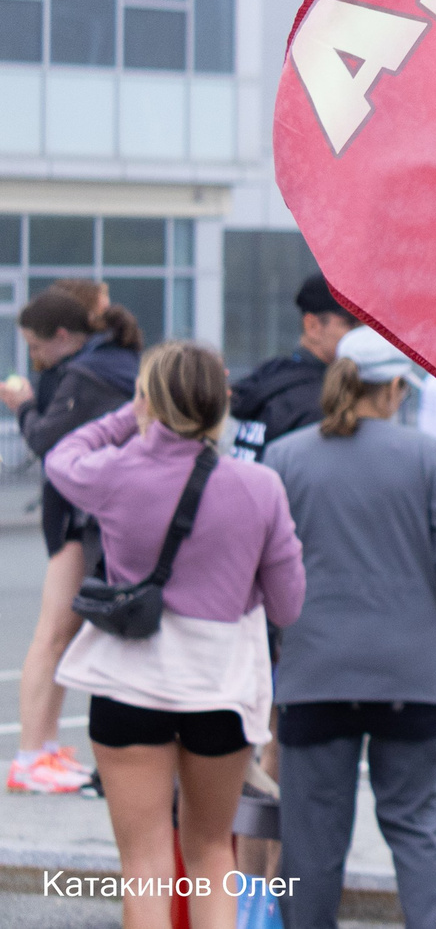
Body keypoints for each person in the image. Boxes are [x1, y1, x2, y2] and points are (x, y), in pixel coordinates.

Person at [47, 342, 306, 929]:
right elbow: (288, 605)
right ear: (222, 405)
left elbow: (62, 455)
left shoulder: (115, 474)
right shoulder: (260, 487)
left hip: (128, 686)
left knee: (145, 867)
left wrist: (130, 413)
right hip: (218, 689)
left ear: (148, 400)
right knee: (212, 853)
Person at [266, 329, 436, 929]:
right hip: (413, 670)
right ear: (396, 389)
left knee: (311, 838)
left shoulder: (286, 457)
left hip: (315, 670)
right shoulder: (428, 457)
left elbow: (272, 567)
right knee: (417, 826)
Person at [8, 284, 144, 794]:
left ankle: (31, 755)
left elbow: (47, 441)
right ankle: (38, 751)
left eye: (36, 346)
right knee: (60, 637)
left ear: (63, 335)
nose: (34, 356)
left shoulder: (86, 375)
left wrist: (22, 404)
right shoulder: (119, 362)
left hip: (75, 518)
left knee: (52, 637)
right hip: (96, 516)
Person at [228, 276, 357, 464]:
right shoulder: (322, 399)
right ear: (312, 326)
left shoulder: (268, 373)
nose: (359, 334)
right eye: (349, 324)